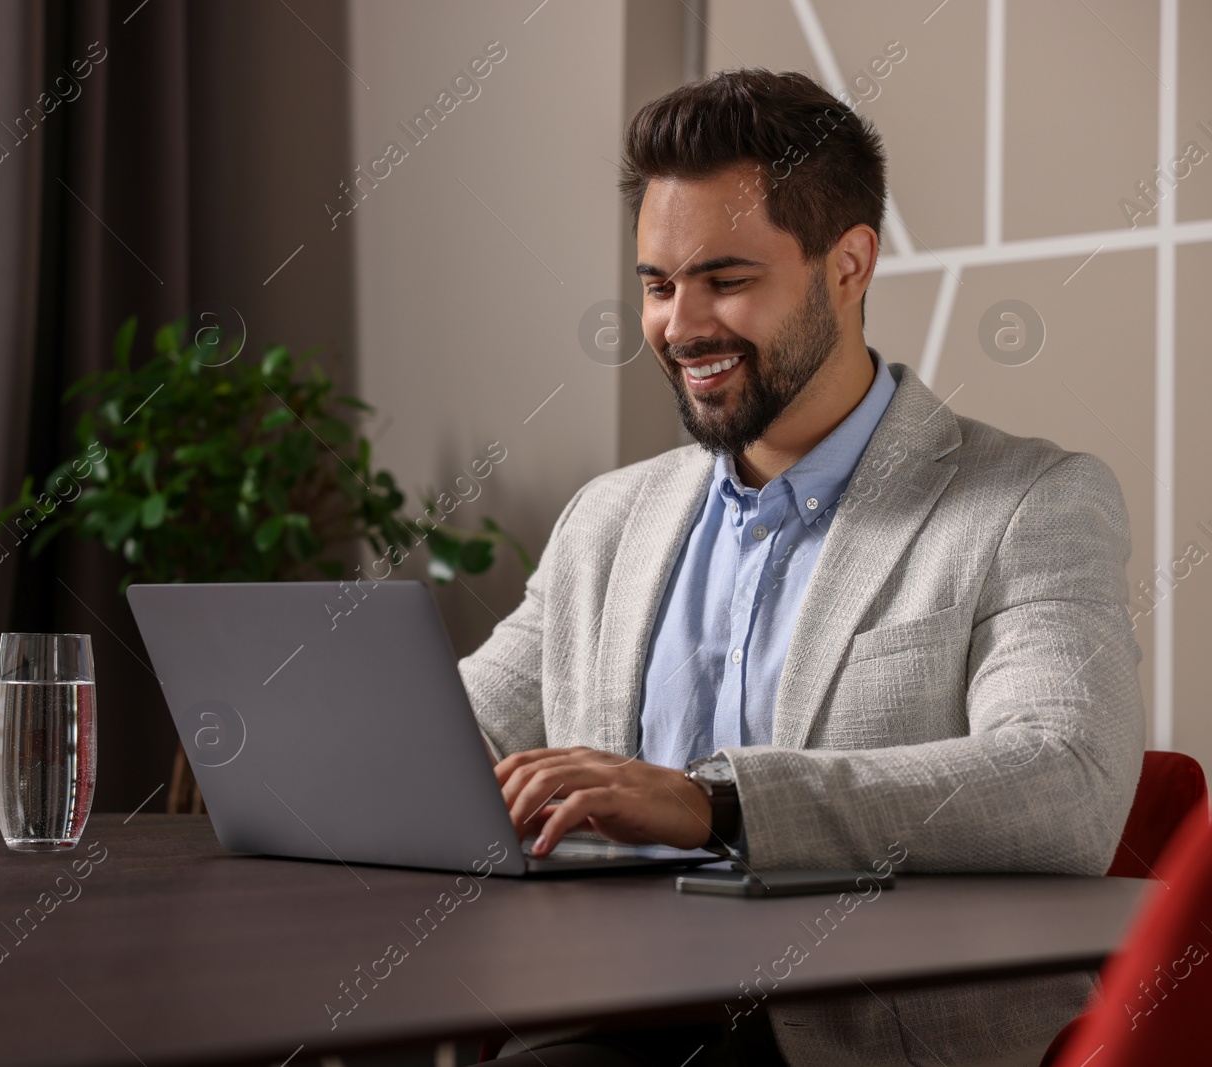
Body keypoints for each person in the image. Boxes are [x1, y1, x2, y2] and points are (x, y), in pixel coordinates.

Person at [459, 69, 1144, 1067]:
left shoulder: (1028, 501)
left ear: (848, 265)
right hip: (601, 1008)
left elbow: (1062, 780)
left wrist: (716, 799)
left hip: (849, 1039)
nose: (679, 324)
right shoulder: (608, 520)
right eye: (657, 283)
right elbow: (461, 733)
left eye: (725, 279)